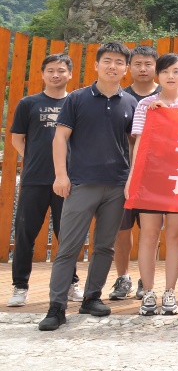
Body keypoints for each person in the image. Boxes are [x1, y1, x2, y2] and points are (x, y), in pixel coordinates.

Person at [38, 42, 136, 331]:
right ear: (96, 65)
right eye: (107, 61)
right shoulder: (77, 98)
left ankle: (92, 297)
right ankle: (56, 307)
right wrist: (61, 176)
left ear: (126, 69)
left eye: (119, 62)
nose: (113, 66)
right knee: (68, 247)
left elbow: (135, 144)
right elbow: (60, 138)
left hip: (117, 185)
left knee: (104, 246)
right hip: (81, 183)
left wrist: (131, 179)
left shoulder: (131, 103)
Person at [128, 54, 178, 316]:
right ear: (157, 75)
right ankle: (148, 292)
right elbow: (139, 143)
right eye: (165, 72)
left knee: (174, 234)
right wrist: (132, 178)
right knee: (149, 234)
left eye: (176, 71)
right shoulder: (145, 104)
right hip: (150, 176)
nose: (171, 76)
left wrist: (167, 114)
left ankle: (170, 292)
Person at [9, 54, 81, 307]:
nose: (55, 75)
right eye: (50, 70)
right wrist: (33, 159)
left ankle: (71, 283)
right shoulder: (28, 103)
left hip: (68, 181)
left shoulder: (76, 103)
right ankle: (20, 286)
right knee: (25, 233)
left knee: (68, 235)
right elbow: (17, 139)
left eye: (61, 70)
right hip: (34, 179)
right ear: (42, 74)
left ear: (69, 74)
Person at [109, 45, 160, 302]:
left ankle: (145, 279)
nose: (143, 69)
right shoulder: (121, 96)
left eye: (148, 64)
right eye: (137, 64)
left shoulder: (165, 95)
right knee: (122, 228)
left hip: (156, 175)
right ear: (130, 67)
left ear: (156, 67)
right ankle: (123, 277)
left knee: (152, 230)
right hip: (123, 172)